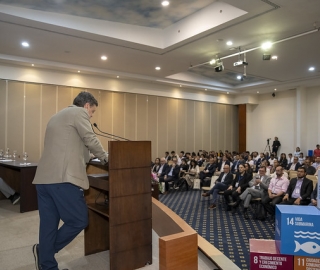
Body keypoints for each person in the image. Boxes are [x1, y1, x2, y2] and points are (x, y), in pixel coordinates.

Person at [32, 92, 108, 270]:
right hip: (62, 179)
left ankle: (47, 265)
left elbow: (68, 147)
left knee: (49, 225)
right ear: (87, 106)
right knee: (79, 219)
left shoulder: (56, 116)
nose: (91, 116)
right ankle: (45, 253)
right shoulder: (79, 113)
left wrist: (87, 155)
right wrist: (105, 157)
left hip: (43, 179)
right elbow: (90, 138)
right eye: (93, 111)